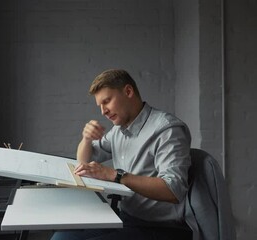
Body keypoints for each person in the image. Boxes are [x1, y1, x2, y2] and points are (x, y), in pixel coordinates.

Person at [51, 69, 192, 240]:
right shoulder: (119, 130)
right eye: (100, 106)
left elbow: (173, 190)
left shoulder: (167, 129)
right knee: (61, 238)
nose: (103, 111)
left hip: (161, 228)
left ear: (128, 91)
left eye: (107, 101)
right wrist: (86, 139)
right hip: (127, 218)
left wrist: (115, 175)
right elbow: (84, 161)